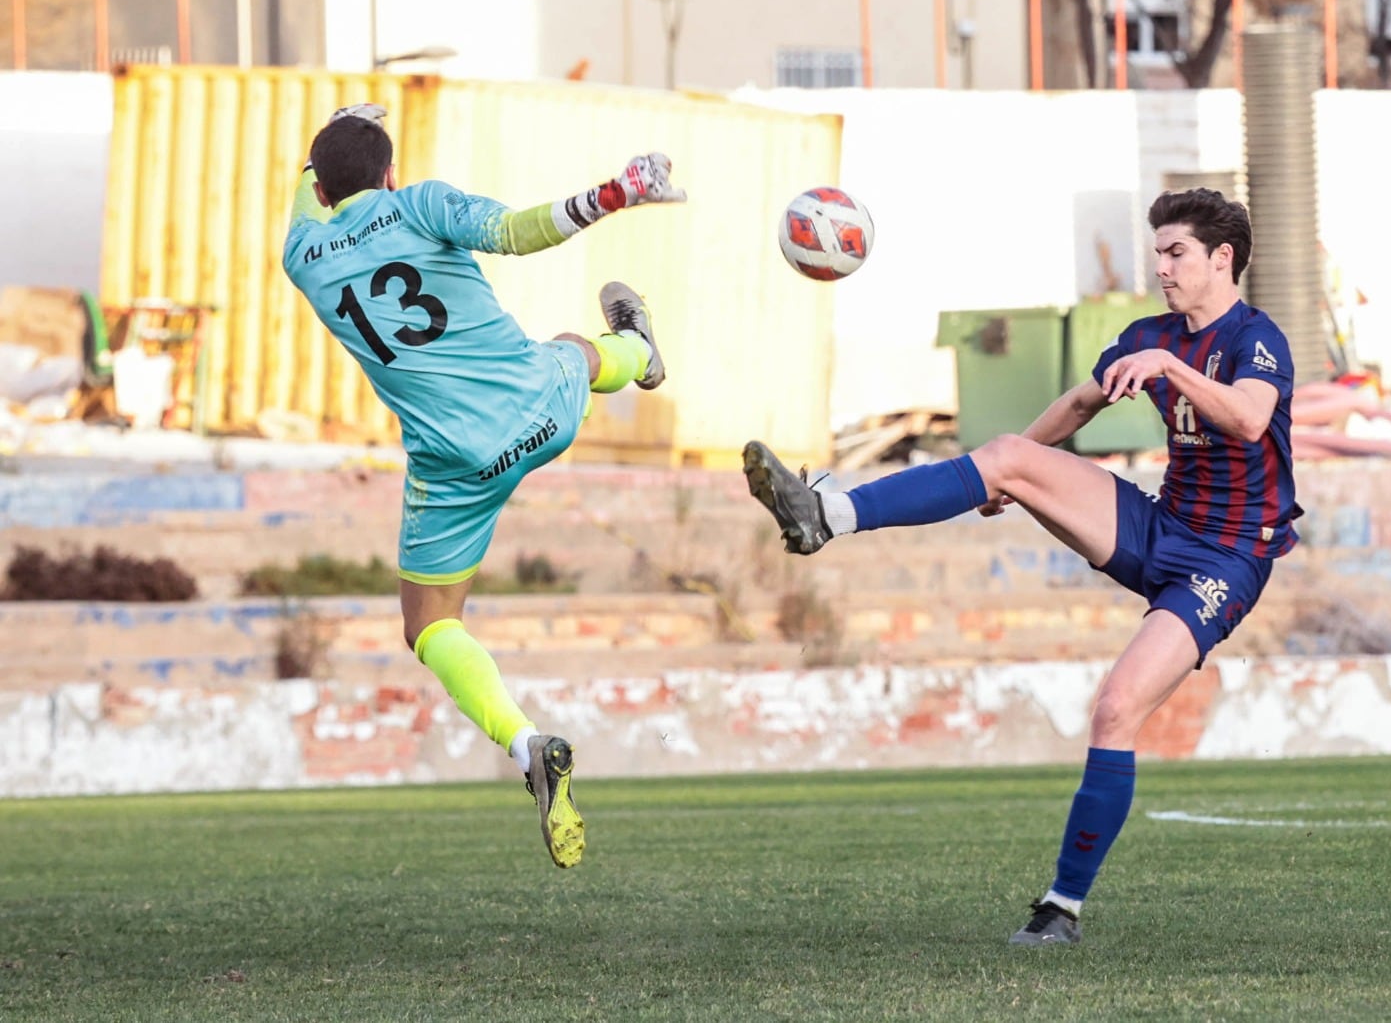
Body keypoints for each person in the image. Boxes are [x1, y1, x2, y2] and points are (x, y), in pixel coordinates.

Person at [742, 188, 1301, 945]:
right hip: (1158, 526)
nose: (1161, 267)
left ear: (1221, 259)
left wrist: (1168, 366)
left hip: (1228, 558)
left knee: (1116, 709)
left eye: (1176, 253)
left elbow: (1248, 417)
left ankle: (1060, 910)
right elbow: (1076, 408)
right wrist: (1008, 475)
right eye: (1158, 251)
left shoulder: (1254, 340)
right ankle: (829, 514)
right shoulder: (1149, 334)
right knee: (1006, 453)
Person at [282, 104, 687, 869]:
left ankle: (527, 743)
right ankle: (637, 352)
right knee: (571, 347)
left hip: (452, 461)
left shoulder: (302, 253)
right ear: (389, 173)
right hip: (542, 409)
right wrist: (614, 192)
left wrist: (320, 158)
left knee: (430, 626)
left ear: (325, 190)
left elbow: (308, 196)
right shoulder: (420, 202)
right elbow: (518, 231)